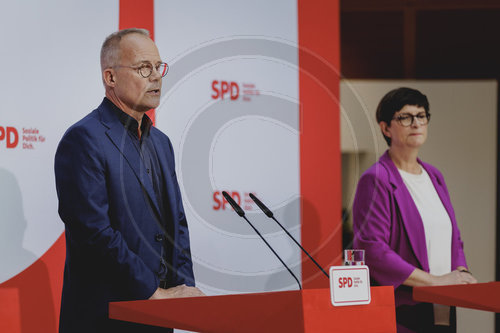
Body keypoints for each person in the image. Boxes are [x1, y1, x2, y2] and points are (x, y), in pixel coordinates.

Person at [54, 28, 204, 333]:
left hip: (160, 317)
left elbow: (177, 224)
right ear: (110, 77)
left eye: (158, 67)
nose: (156, 77)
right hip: (105, 318)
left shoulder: (161, 143)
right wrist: (152, 291)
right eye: (143, 68)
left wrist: (184, 290)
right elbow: (95, 233)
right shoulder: (84, 139)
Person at [352, 87, 477, 333]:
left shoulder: (435, 176)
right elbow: (372, 249)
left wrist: (461, 272)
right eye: (405, 117)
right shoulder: (377, 178)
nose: (416, 123)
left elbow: (454, 238)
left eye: (421, 116)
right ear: (386, 128)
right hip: (403, 311)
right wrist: (434, 281)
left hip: (444, 307)